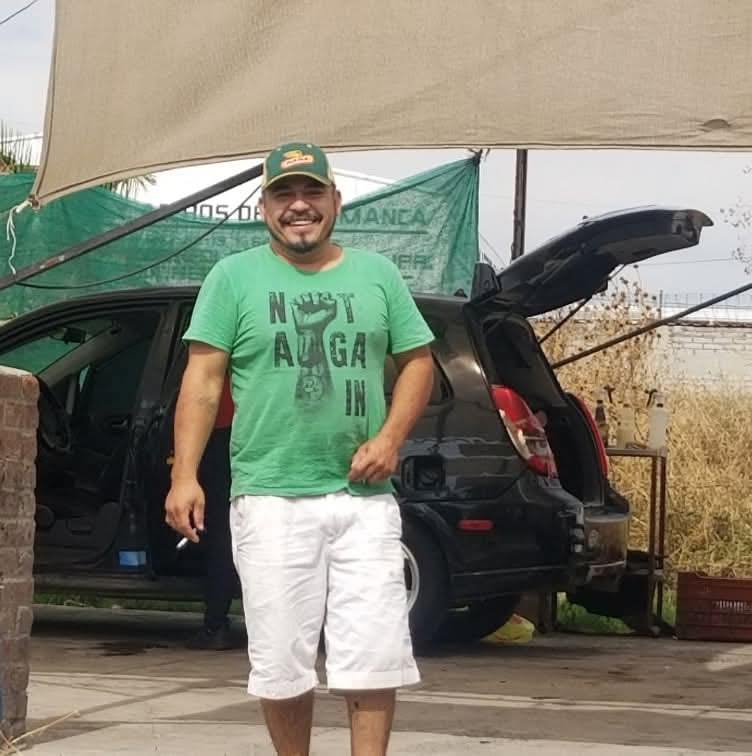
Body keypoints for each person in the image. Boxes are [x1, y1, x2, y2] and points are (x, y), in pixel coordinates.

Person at [165, 141, 435, 755]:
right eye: (283, 194)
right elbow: (202, 382)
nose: (299, 205)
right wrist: (185, 475)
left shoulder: (378, 275)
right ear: (264, 208)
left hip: (364, 501)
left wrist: (390, 438)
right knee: (282, 663)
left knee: (373, 657)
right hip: (271, 498)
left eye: (312, 191)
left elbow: (419, 363)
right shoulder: (233, 277)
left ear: (336, 201)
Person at [186, 375, 240, 650]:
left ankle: (215, 624)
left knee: (221, 533)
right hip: (241, 433)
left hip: (222, 433)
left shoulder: (215, 359)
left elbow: (202, 394)